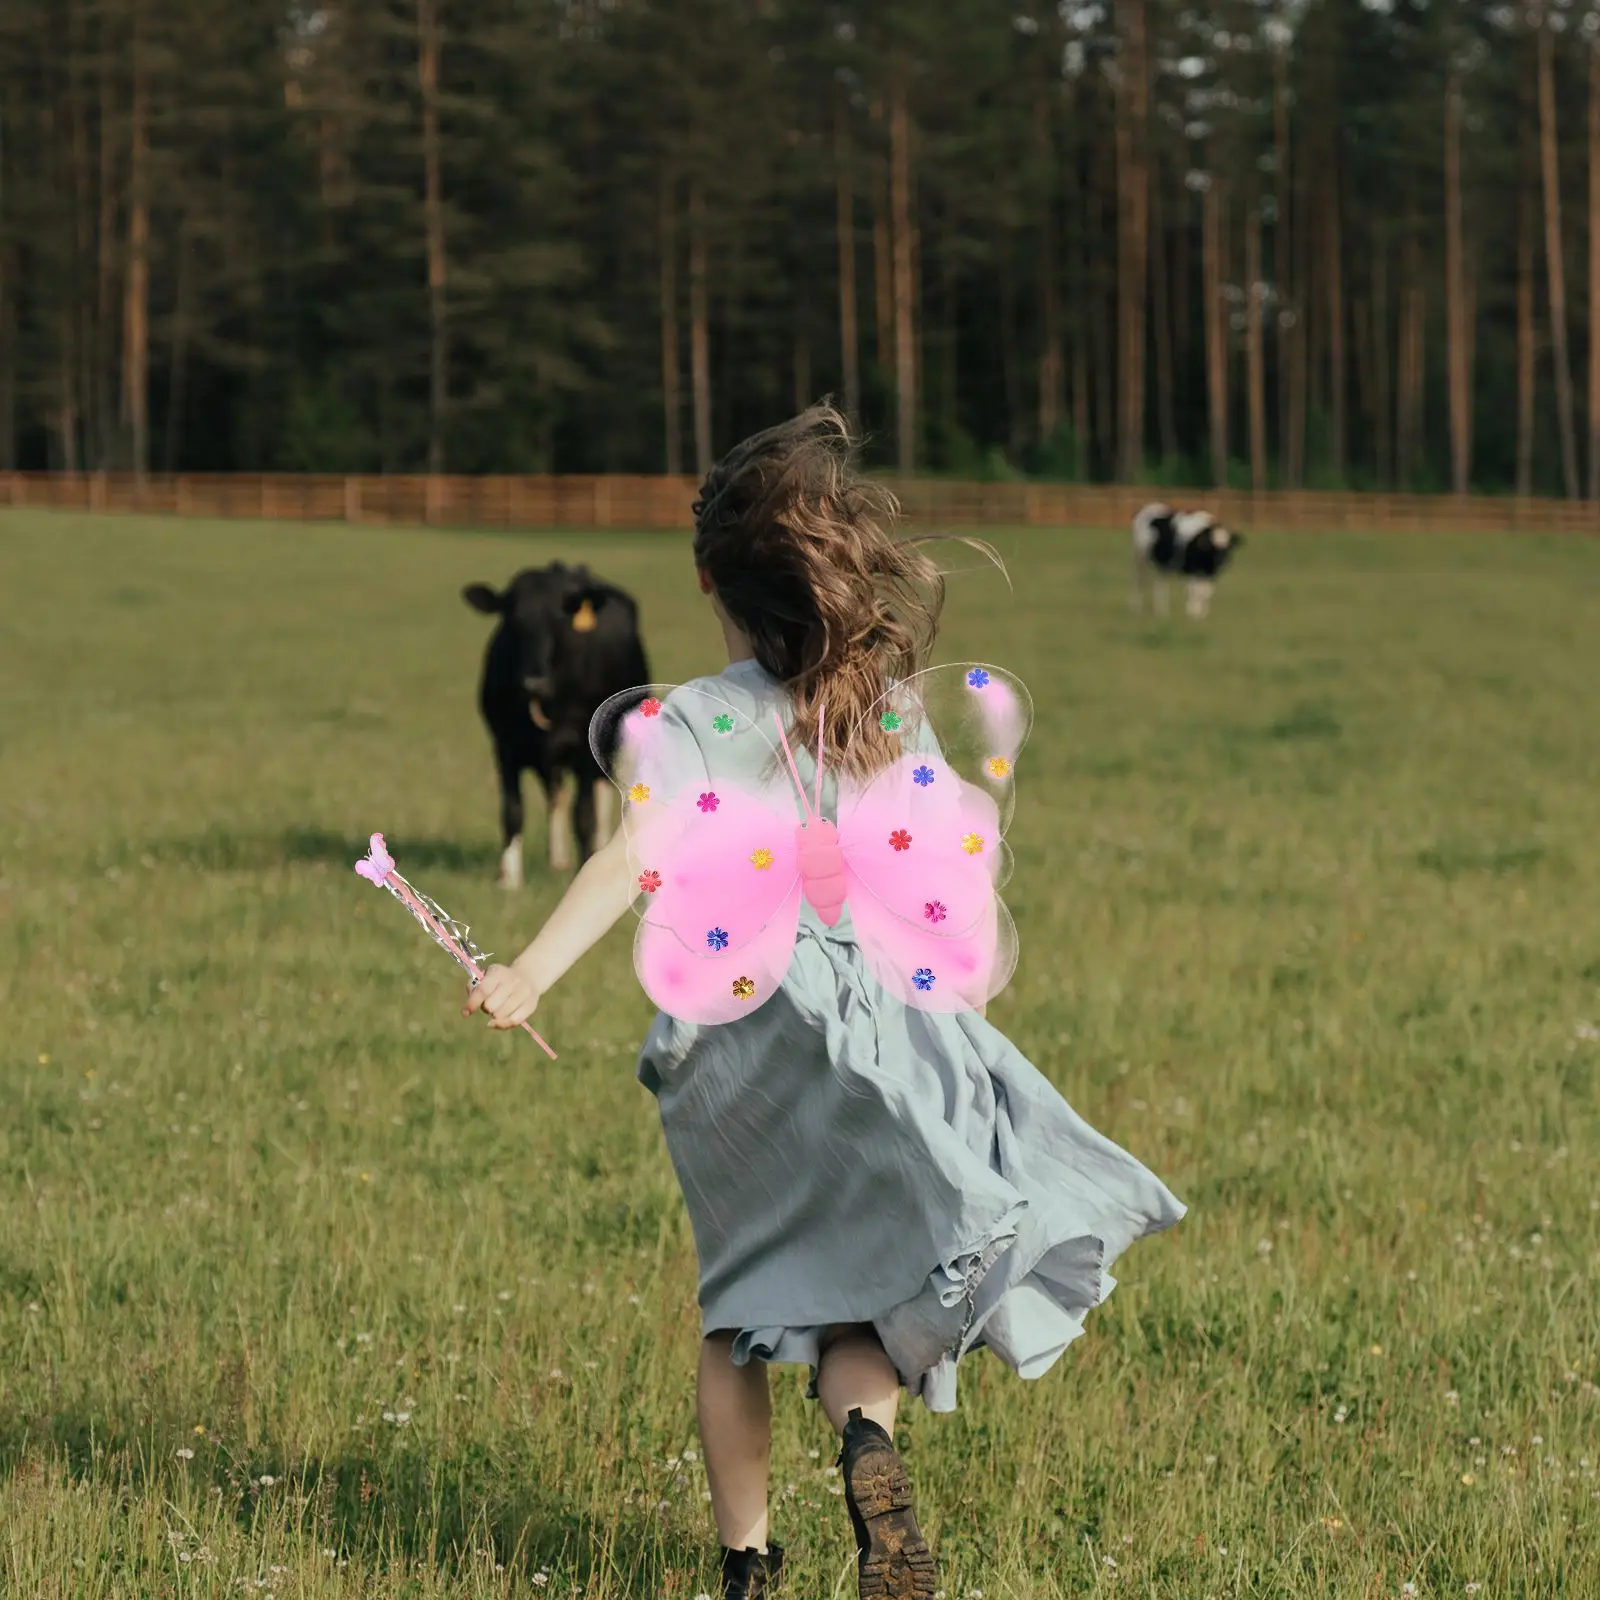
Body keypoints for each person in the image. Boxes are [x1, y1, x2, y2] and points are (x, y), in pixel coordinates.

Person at [463, 406, 1185, 1600]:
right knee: (859, 1291)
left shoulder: (690, 715)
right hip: (878, 1017)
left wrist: (530, 969)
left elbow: (632, 853)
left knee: (741, 1310)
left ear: (710, 581)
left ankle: (747, 1566)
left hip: (741, 1034)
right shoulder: (880, 702)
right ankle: (867, 1443)